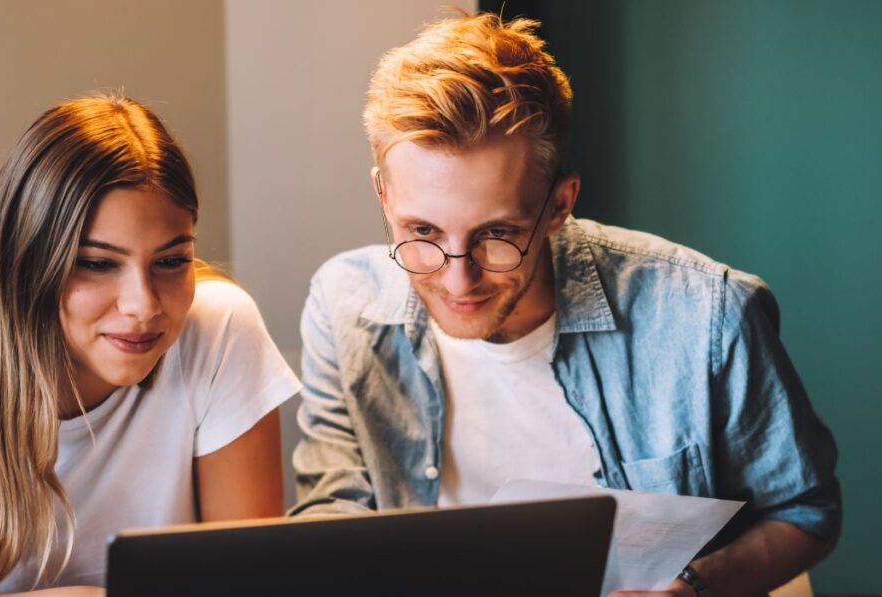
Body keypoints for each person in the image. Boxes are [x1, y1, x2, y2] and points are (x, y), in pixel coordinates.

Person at [292, 13, 840, 596]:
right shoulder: (344, 304)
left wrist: (693, 588)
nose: (458, 278)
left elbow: (805, 513)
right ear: (383, 191)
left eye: (495, 234)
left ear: (559, 205)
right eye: (422, 231)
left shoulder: (707, 313)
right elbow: (332, 515)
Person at [0, 94, 300, 595]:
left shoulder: (220, 329)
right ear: (28, 261)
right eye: (97, 263)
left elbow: (247, 581)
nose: (143, 305)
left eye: (172, 261)